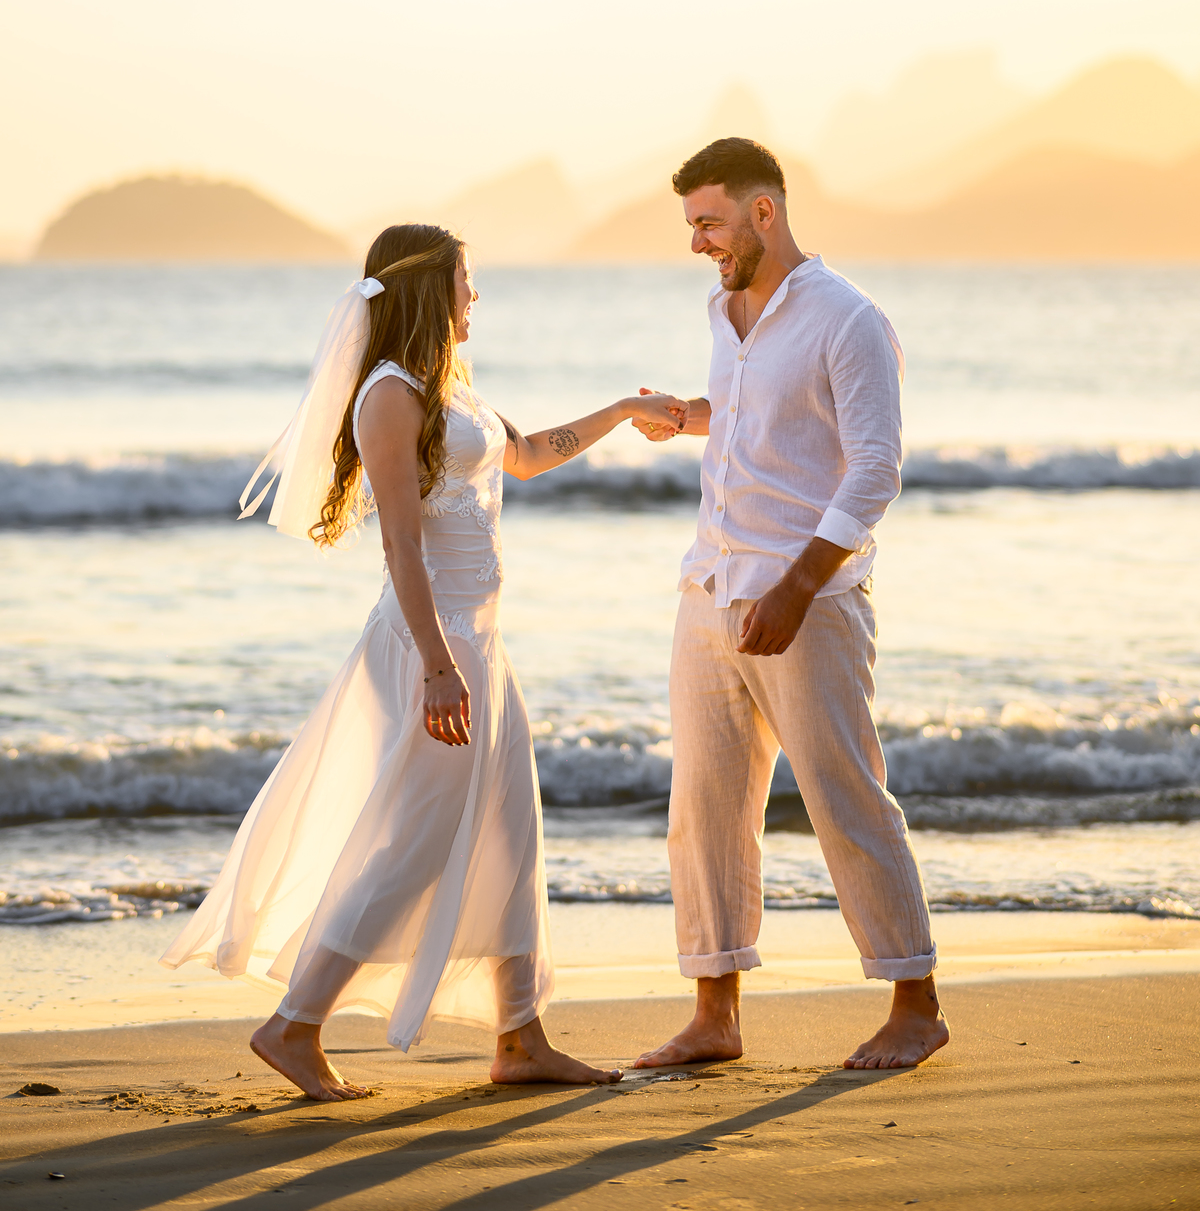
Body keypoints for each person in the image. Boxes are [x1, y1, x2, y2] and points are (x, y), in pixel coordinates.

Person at [162, 223, 686, 1100]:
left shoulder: (452, 387)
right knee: (415, 842)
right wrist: (441, 668)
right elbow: (402, 547)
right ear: (426, 290)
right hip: (429, 646)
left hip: (482, 644)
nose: (475, 298)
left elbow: (523, 457)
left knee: (513, 831)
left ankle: (520, 1038)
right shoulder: (390, 396)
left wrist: (625, 411)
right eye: (466, 283)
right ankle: (294, 1025)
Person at [630, 137, 948, 1072]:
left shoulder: (848, 319)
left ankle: (914, 1001)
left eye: (710, 222)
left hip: (804, 601)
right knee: (705, 809)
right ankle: (715, 1014)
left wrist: (798, 587)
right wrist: (686, 413)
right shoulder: (726, 307)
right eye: (691, 225)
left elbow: (875, 468)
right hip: (710, 591)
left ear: (764, 211)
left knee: (844, 796)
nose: (698, 242)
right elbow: (754, 417)